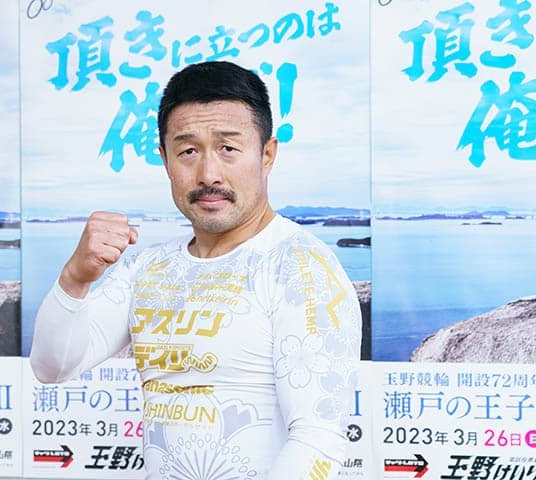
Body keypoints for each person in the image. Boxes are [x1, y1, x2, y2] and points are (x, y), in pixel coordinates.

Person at [30, 61, 362, 479]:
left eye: (228, 148)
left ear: (267, 154)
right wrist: (75, 278)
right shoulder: (150, 266)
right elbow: (52, 367)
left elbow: (318, 438)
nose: (208, 174)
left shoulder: (300, 266)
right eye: (188, 151)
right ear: (165, 159)